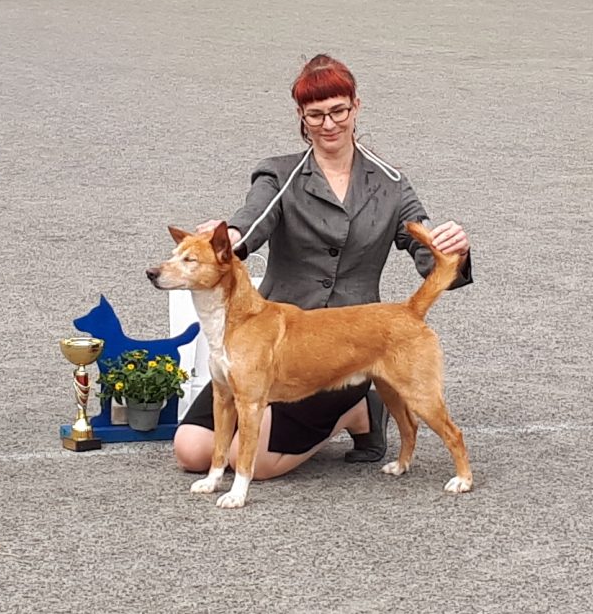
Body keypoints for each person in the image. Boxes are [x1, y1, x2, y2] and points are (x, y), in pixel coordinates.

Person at [175, 54, 473, 478]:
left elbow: (428, 255)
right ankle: (361, 411)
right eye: (315, 115)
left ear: (356, 107)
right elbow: (253, 220)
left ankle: (355, 407)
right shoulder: (279, 175)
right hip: (273, 342)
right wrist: (230, 238)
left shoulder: (390, 183)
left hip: (347, 347)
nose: (329, 124)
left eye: (339, 111)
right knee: (190, 450)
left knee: (252, 461)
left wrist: (454, 250)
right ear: (301, 116)